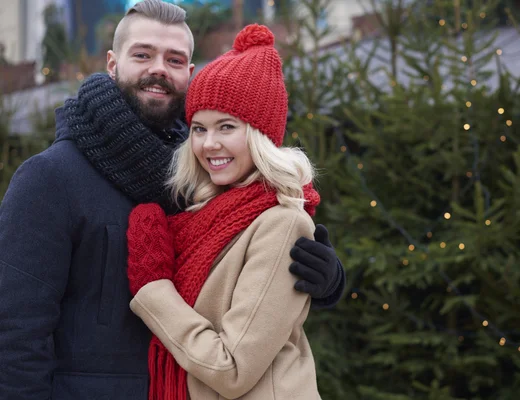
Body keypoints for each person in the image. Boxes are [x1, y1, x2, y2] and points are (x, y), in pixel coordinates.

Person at [0, 1, 344, 399]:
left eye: (174, 59)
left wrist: (323, 280)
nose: (158, 69)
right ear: (113, 64)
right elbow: (14, 332)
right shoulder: (51, 178)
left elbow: (244, 297)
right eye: (143, 54)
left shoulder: (204, 182)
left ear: (189, 74)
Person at [126, 23, 322, 399]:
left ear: (260, 135)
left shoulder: (280, 222)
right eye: (199, 128)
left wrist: (153, 287)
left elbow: (231, 369)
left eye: (227, 127)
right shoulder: (201, 216)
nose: (209, 143)